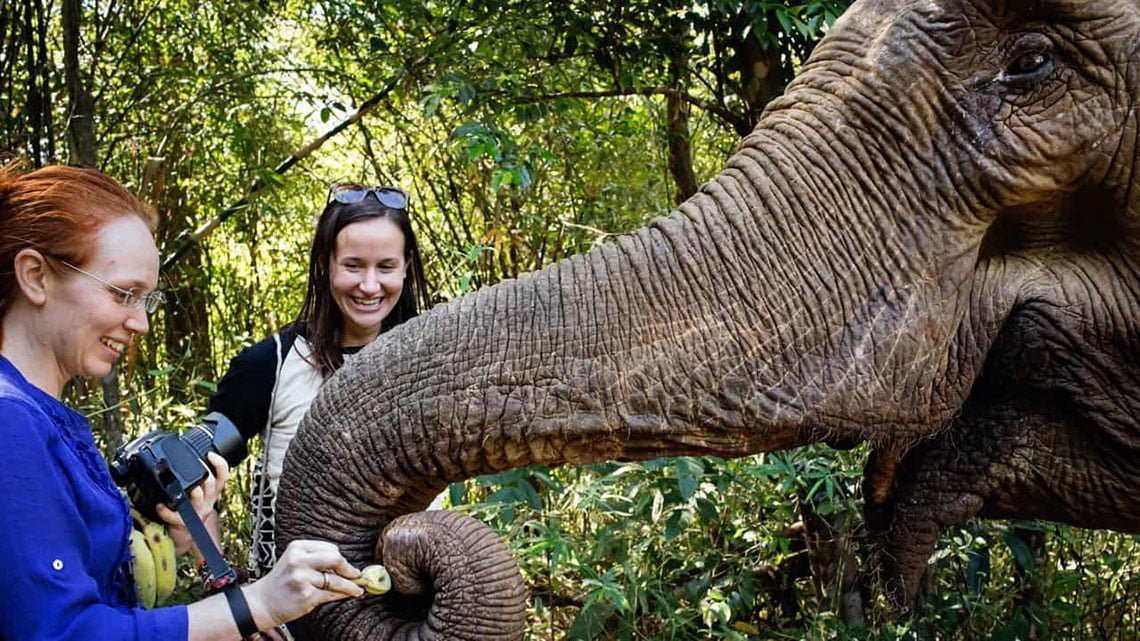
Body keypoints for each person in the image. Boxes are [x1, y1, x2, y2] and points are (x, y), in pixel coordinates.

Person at [0, 161, 364, 640]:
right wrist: (257, 604)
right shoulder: (10, 421)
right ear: (35, 276)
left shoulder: (43, 416)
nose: (141, 323)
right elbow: (63, 631)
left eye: (146, 300)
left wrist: (173, 537)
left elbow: (77, 592)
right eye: (123, 294)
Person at [207, 181, 430, 577]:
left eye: (386, 267)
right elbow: (192, 478)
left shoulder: (432, 360)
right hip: (295, 601)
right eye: (353, 266)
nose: (369, 286)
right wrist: (220, 583)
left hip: (410, 598)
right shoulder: (272, 362)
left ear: (406, 265)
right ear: (326, 263)